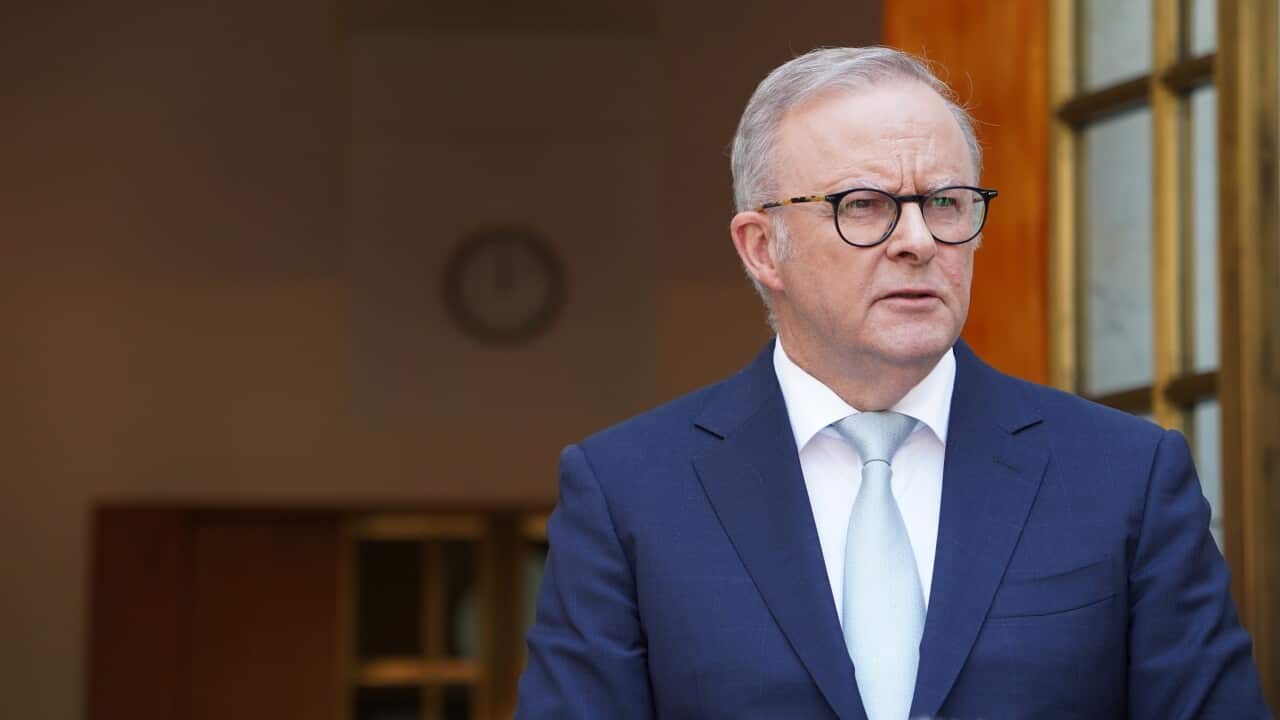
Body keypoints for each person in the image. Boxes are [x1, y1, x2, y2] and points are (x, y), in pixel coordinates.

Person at [514, 46, 1270, 719]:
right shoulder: (627, 493)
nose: (917, 241)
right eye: (864, 206)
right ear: (761, 248)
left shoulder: (1125, 475)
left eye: (945, 202)